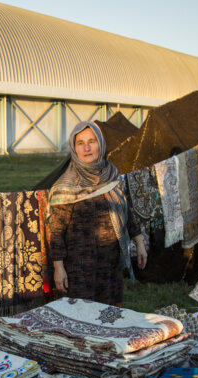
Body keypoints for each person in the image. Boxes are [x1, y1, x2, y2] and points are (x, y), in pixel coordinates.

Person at [48, 121, 147, 306]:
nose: (86, 148)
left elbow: (125, 209)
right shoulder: (65, 186)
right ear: (74, 148)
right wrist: (58, 267)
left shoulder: (112, 175)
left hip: (111, 266)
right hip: (79, 269)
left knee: (110, 317)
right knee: (82, 320)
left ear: (100, 144)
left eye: (92, 141)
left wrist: (139, 242)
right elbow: (56, 232)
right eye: (80, 143)